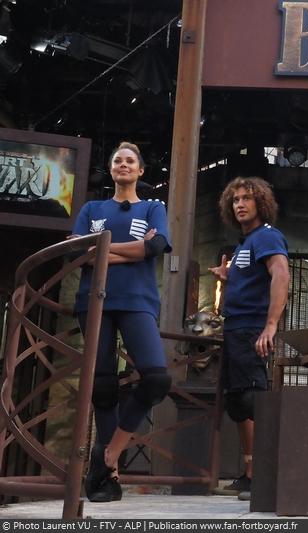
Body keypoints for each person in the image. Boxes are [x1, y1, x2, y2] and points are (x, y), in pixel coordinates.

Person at [70, 142, 173, 502]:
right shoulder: (92, 208)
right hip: (93, 301)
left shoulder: (153, 207)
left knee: (157, 377)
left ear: (141, 170)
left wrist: (101, 250)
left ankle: (108, 453)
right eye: (118, 160)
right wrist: (131, 250)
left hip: (138, 301)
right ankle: (107, 478)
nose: (124, 164)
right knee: (102, 387)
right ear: (111, 169)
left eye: (130, 160)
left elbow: (155, 247)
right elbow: (76, 252)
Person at [209, 177, 289, 499]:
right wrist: (230, 276)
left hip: (251, 329)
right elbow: (255, 278)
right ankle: (251, 471)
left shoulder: (267, 236)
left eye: (247, 199)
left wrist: (270, 326)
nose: (240, 204)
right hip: (234, 327)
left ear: (261, 204)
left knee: (252, 399)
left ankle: (267, 473)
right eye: (236, 199)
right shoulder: (245, 244)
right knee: (238, 402)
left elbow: (281, 274)